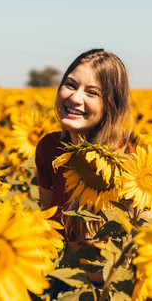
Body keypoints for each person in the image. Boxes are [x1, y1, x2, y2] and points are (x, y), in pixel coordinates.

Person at [35, 48, 132, 239]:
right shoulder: (49, 148)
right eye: (70, 85)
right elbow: (47, 223)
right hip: (57, 265)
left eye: (92, 92)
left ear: (111, 105)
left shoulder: (125, 164)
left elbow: (131, 238)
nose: (75, 98)